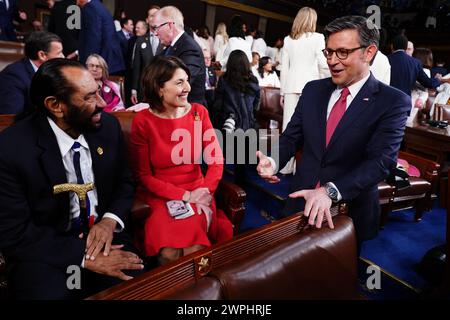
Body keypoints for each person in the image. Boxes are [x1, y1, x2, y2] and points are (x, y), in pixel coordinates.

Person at [256, 15, 411, 250]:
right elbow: (291, 137)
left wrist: (330, 192)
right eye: (328, 52)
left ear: (369, 53)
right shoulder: (313, 90)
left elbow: (381, 162)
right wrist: (273, 160)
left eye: (342, 52)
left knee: (334, 281)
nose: (332, 61)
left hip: (348, 212)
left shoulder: (393, 102)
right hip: (299, 204)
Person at [0, 58, 144, 299]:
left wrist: (109, 221)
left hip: (106, 238)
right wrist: (82, 255)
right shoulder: (11, 148)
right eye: (88, 97)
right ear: (55, 105)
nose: (102, 103)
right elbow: (16, 232)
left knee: (143, 288)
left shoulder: (107, 127)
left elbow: (124, 182)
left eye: (98, 91)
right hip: (45, 252)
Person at [129, 56, 233, 265]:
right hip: (161, 193)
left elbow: (216, 160)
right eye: (179, 82)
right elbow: (144, 176)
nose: (187, 87)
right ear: (159, 88)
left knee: (195, 250)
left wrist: (204, 192)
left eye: (187, 80)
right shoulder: (143, 121)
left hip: (200, 189)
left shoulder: (198, 112)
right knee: (168, 253)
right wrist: (185, 196)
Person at [279, 7, 330, 174]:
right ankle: (301, 169)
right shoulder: (318, 38)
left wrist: (282, 92)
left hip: (291, 86)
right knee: (309, 129)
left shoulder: (288, 40)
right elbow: (323, 64)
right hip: (311, 87)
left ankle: (284, 166)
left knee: (289, 128)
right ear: (312, 21)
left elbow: (284, 69)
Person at [215, 50, 260, 187]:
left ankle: (224, 191)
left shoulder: (224, 80)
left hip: (230, 127)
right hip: (249, 128)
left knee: (221, 162)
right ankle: (241, 192)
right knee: (242, 166)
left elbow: (218, 105)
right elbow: (256, 105)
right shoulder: (253, 80)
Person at [152, 6, 206, 106]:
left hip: (192, 114)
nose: (155, 33)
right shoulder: (170, 47)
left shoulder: (190, 48)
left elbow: (181, 83)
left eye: (156, 28)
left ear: (170, 26)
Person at [0, 31, 64, 115]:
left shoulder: (54, 71)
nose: (63, 56)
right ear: (42, 55)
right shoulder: (12, 78)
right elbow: (10, 117)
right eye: (59, 53)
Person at [76, 0, 124, 75]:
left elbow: (93, 38)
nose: (76, 3)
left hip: (103, 62)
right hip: (110, 60)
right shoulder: (98, 5)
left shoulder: (90, 8)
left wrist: (89, 65)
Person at [131, 6, 163, 105]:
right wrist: (134, 90)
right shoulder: (140, 40)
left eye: (157, 15)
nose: (154, 18)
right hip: (144, 89)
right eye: (152, 16)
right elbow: (136, 66)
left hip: (162, 88)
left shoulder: (167, 39)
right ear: (147, 20)